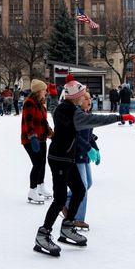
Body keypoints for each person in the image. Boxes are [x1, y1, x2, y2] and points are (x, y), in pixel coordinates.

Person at [33, 79, 125, 257]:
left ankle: (67, 226)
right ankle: (42, 234)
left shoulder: (64, 108)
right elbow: (94, 120)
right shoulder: (72, 113)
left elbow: (55, 106)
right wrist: (119, 117)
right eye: (82, 94)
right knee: (59, 199)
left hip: (67, 157)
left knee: (80, 189)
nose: (85, 97)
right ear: (76, 96)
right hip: (60, 158)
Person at [64, 91, 98, 231]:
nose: (89, 101)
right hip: (76, 155)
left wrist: (96, 148)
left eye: (90, 99)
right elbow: (76, 137)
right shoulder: (77, 116)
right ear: (79, 100)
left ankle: (64, 201)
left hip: (85, 156)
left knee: (88, 184)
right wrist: (89, 148)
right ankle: (78, 218)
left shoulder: (87, 115)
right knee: (82, 188)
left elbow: (90, 136)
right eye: (86, 99)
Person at [21, 79, 53, 204]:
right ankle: (32, 191)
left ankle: (40, 186)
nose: (46, 92)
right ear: (38, 91)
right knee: (38, 163)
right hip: (30, 139)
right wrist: (32, 137)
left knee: (42, 163)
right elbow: (28, 121)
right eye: (44, 90)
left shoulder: (40, 103)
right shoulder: (29, 103)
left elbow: (44, 122)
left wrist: (51, 133)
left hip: (41, 138)